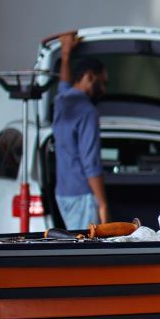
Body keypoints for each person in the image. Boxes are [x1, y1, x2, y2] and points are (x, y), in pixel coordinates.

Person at [53, 32, 109, 229]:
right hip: (82, 194)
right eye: (102, 83)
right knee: (86, 252)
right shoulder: (88, 112)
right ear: (89, 77)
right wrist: (102, 204)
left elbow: (64, 83)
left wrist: (66, 53)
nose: (104, 90)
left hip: (63, 193)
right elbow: (90, 163)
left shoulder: (62, 100)